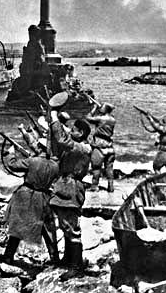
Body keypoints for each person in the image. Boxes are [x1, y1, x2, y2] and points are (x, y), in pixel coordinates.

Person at [0, 132, 60, 266]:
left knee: (17, 226)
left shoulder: (33, 161)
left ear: (40, 148)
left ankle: (8, 256)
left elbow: (13, 165)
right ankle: (55, 259)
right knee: (48, 229)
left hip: (26, 196)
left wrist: (10, 153)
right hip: (44, 197)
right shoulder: (55, 165)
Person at [49, 99, 92, 281]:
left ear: (80, 133)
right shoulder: (79, 145)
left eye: (73, 130)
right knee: (65, 225)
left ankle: (76, 266)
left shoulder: (81, 147)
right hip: (66, 186)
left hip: (71, 188)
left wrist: (54, 117)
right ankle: (69, 259)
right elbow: (61, 138)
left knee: (71, 228)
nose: (70, 131)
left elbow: (61, 139)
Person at [86, 102, 116, 192]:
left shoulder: (100, 119)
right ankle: (110, 186)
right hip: (109, 146)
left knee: (96, 168)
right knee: (109, 168)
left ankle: (94, 186)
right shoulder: (113, 120)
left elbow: (88, 118)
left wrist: (94, 108)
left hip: (99, 145)